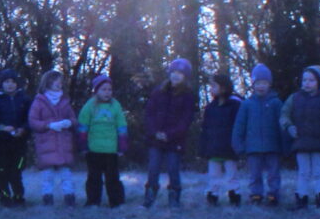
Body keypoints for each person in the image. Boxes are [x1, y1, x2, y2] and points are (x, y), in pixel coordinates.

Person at [141, 58, 197, 208]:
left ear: (185, 76)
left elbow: (185, 121)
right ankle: (149, 196)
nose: (176, 75)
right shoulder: (158, 92)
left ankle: (174, 197)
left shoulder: (188, 96)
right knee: (153, 168)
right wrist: (154, 132)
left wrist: (170, 135)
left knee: (173, 169)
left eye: (180, 73)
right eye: (174, 72)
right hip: (155, 139)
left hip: (175, 140)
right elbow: (149, 114)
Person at [284, 66, 320, 210]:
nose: (307, 83)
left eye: (311, 80)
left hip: (319, 144)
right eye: (304, 80)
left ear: (319, 82)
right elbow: (284, 115)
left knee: (318, 171)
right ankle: (301, 199)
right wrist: (288, 126)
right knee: (303, 172)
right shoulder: (294, 98)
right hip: (301, 142)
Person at [234, 65, 289, 206]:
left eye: (264, 83)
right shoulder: (246, 104)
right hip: (253, 147)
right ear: (253, 85)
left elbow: (282, 125)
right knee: (254, 174)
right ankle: (256, 194)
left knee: (273, 173)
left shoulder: (276, 103)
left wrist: (285, 144)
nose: (261, 86)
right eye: (258, 83)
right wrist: (238, 144)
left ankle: (273, 194)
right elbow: (239, 126)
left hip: (273, 146)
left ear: (269, 85)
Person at [77, 74, 129, 208]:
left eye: (109, 90)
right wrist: (83, 145)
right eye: (103, 89)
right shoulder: (89, 106)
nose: (107, 92)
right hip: (93, 150)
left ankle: (117, 202)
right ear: (96, 91)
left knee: (113, 178)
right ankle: (93, 201)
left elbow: (121, 126)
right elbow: (83, 126)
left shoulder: (115, 105)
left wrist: (122, 146)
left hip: (111, 150)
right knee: (94, 178)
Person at [29, 70, 77, 205]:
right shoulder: (39, 101)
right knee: (47, 175)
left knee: (66, 174)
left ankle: (69, 198)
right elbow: (33, 122)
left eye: (60, 81)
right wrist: (49, 125)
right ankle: (47, 198)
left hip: (63, 144)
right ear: (48, 82)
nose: (59, 83)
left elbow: (73, 119)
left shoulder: (65, 101)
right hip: (46, 144)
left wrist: (69, 122)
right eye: (56, 80)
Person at [0, 70, 32, 206]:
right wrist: (2, 127)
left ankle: (19, 196)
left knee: (16, 171)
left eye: (13, 82)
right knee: (2, 171)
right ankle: (5, 197)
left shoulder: (24, 99)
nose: (10, 85)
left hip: (20, 143)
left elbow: (31, 119)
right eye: (7, 82)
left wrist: (23, 129)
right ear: (2, 84)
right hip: (1, 143)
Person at [199, 72, 240, 206]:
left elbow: (238, 127)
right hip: (214, 147)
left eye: (214, 86)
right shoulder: (210, 108)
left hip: (230, 148)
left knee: (231, 174)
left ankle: (234, 193)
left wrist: (238, 144)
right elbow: (205, 128)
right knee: (214, 174)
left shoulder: (235, 105)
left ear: (224, 87)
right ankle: (213, 194)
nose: (211, 89)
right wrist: (204, 147)